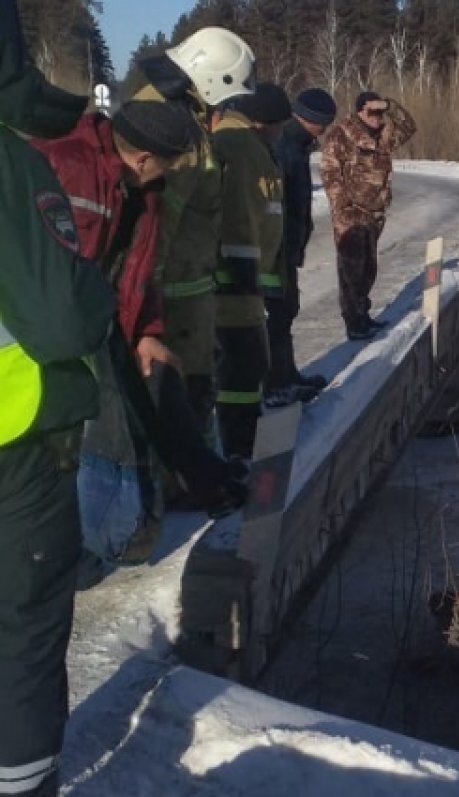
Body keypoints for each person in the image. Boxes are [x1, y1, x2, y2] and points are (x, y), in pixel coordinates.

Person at [0, 0, 115, 791]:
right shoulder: (11, 163)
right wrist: (94, 288)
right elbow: (62, 319)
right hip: (17, 444)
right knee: (23, 632)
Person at [30, 100, 197, 570]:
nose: (172, 172)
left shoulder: (143, 190)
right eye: (168, 163)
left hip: (98, 325)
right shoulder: (64, 165)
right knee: (75, 440)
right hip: (50, 334)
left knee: (130, 414)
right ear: (143, 158)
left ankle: (110, 532)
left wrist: (146, 331)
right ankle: (77, 546)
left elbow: (139, 272)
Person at [129, 27, 256, 435]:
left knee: (188, 394)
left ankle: (194, 461)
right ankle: (189, 470)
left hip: (184, 292)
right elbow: (156, 222)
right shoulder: (172, 128)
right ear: (212, 79)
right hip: (172, 300)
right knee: (182, 397)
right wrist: (145, 312)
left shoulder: (178, 112)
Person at [212, 82, 291, 459]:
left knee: (247, 363)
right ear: (265, 122)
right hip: (234, 284)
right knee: (242, 366)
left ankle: (242, 438)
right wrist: (246, 276)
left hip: (243, 281)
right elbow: (239, 216)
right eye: (280, 125)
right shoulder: (241, 147)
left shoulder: (247, 143)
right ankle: (240, 447)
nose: (281, 133)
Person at [320, 91, 417, 341]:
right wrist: (343, 208)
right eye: (372, 112)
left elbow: (408, 127)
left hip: (374, 213)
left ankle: (363, 315)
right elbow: (330, 173)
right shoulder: (342, 135)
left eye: (380, 113)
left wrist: (390, 104)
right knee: (351, 271)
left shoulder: (383, 135)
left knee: (368, 269)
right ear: (360, 111)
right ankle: (353, 322)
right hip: (351, 213)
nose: (377, 117)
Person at [264, 87, 337, 406]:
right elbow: (278, 202)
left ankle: (288, 374)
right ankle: (276, 383)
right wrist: (283, 243)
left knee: (287, 309)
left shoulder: (296, 143)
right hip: (276, 246)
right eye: (324, 123)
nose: (326, 129)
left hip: (286, 244)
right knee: (278, 313)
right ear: (311, 120)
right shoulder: (286, 145)